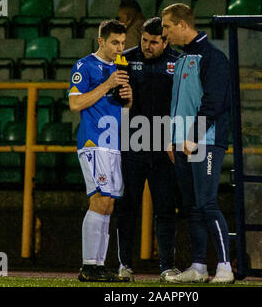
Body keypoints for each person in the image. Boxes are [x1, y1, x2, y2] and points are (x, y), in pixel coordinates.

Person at [161, 3, 234, 284]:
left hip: (206, 142)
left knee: (207, 203)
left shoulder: (213, 57)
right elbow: (178, 104)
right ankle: (199, 266)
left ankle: (225, 266)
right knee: (191, 206)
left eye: (167, 27)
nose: (165, 33)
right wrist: (172, 138)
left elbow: (214, 102)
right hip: (182, 144)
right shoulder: (181, 59)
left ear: (182, 25)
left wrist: (193, 137)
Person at [115, 17, 181, 282]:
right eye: (144, 40)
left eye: (154, 41)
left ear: (165, 40)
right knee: (127, 206)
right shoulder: (126, 60)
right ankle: (124, 265)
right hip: (133, 143)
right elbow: (115, 99)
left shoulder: (178, 62)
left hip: (165, 147)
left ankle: (167, 266)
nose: (147, 46)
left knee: (166, 208)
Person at [68, 19, 133, 282]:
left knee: (108, 204)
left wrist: (128, 101)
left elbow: (121, 112)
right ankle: (89, 266)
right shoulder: (85, 66)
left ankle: (97, 265)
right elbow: (75, 104)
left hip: (114, 144)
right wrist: (107, 85)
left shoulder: (121, 68)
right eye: (115, 42)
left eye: (123, 43)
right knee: (99, 201)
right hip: (94, 143)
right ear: (101, 41)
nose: (120, 48)